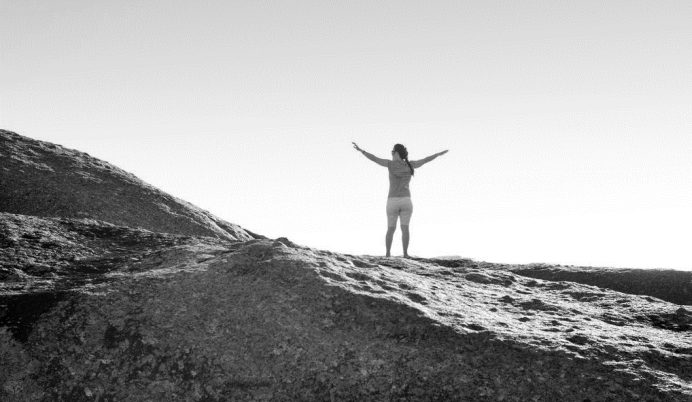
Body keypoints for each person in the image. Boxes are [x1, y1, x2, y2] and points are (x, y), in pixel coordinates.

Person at [352, 142, 448, 258]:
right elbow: (425, 160)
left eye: (392, 152)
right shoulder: (410, 164)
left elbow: (374, 159)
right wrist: (437, 154)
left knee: (390, 229)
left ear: (396, 153)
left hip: (392, 201)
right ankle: (405, 254)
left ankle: (388, 254)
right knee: (405, 228)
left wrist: (361, 151)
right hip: (406, 200)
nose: (391, 153)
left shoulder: (389, 164)